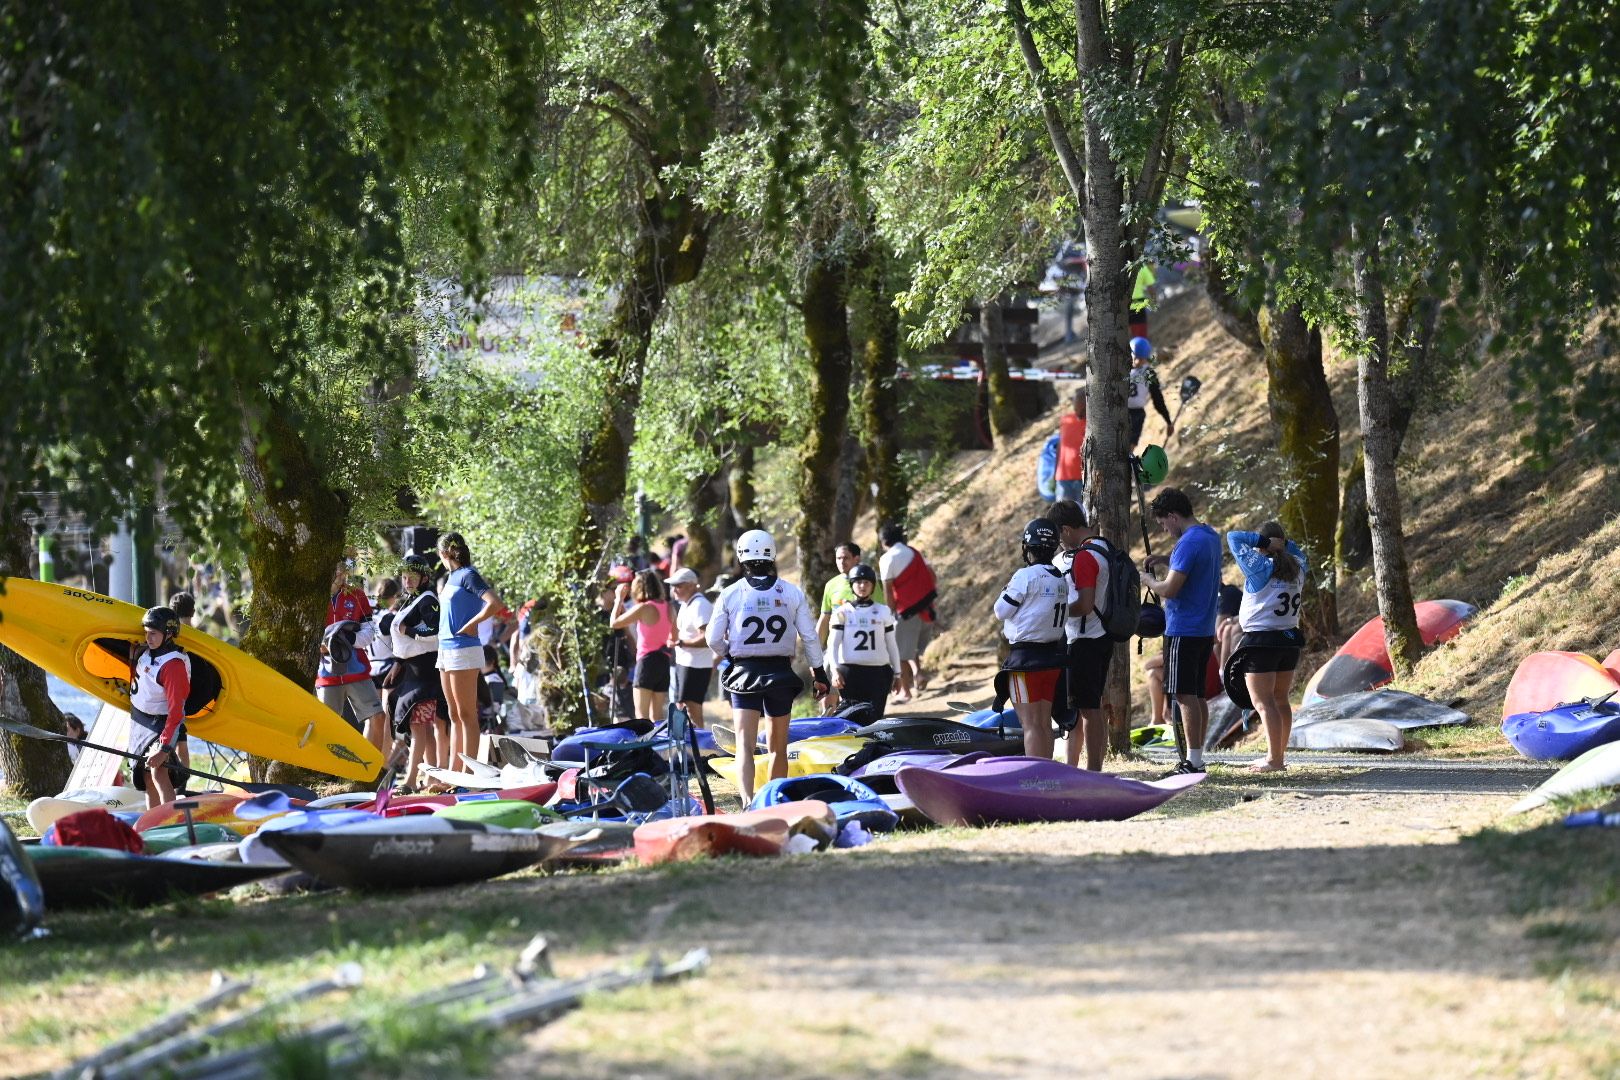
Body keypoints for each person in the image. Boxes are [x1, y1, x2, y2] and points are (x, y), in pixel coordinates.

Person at [706, 529, 828, 802]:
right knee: (777, 748)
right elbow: (809, 637)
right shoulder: (791, 592)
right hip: (780, 673)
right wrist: (819, 673)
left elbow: (712, 639)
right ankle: (774, 800)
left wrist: (731, 655)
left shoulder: (730, 593)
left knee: (744, 746)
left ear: (741, 557)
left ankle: (748, 801)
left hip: (744, 674)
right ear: (772, 555)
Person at [1142, 487, 1222, 774]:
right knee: (1197, 695)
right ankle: (1197, 755)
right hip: (1203, 629)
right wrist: (1167, 559)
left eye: (1163, 522)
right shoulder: (1209, 536)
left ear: (1173, 516)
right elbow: (1194, 566)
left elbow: (1170, 589)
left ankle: (1193, 761)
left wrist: (1146, 580)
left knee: (1184, 695)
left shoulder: (1188, 543)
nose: (1164, 529)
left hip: (1183, 628)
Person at [1227, 522, 1307, 771]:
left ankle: (1274, 760)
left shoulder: (1260, 568)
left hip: (1261, 642)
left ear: (1263, 546)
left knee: (1263, 703)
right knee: (1281, 700)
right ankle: (1278, 756)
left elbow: (1233, 537)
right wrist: (1283, 544)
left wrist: (1263, 543)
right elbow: (1298, 551)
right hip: (1289, 641)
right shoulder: (1299, 566)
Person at [1046, 499, 1116, 771]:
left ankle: (1093, 770)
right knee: (1091, 706)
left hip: (1086, 640)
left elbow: (1085, 605)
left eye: (1059, 536)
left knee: (1088, 710)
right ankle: (1092, 768)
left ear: (1066, 529)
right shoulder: (1104, 547)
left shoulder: (1085, 557)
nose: (1060, 544)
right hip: (1102, 635)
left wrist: (1057, 612)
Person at [992, 520, 1071, 760]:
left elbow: (1000, 611)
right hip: (1052, 658)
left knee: (1031, 724)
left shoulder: (1025, 575)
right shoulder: (1059, 577)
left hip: (1026, 660)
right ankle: (1046, 772)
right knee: (1044, 723)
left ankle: (1035, 776)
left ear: (1028, 547)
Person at [436, 533, 502, 773]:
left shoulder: (468, 574)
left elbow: (494, 603)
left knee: (466, 714)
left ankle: (470, 773)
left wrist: (473, 623)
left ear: (444, 553)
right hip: (445, 649)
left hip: (463, 649)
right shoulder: (451, 577)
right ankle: (455, 774)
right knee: (454, 714)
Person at [316, 559, 388, 755]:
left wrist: (347, 640)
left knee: (378, 717)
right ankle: (330, 769)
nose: (340, 574)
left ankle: (369, 766)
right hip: (326, 673)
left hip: (357, 669)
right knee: (328, 727)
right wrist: (321, 645)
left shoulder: (357, 594)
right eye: (336, 569)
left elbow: (369, 632)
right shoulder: (314, 595)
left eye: (343, 569)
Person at [389, 554, 445, 788]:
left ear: (424, 578)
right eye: (404, 576)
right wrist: (397, 663)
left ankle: (411, 779)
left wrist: (409, 630)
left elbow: (436, 631)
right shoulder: (412, 599)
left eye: (412, 576)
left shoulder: (427, 599)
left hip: (425, 674)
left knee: (418, 726)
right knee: (423, 729)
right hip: (412, 672)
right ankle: (432, 777)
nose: (407, 580)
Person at [127, 606, 190, 810]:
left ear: (169, 634)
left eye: (153, 633)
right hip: (141, 720)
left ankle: (171, 821)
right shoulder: (146, 651)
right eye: (146, 632)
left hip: (161, 724)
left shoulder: (173, 666)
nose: (148, 638)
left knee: (158, 771)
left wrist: (164, 749)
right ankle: (153, 822)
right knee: (146, 776)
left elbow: (176, 713)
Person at [828, 563, 900, 722]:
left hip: (879, 673)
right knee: (852, 717)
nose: (862, 586)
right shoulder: (842, 612)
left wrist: (898, 673)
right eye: (858, 582)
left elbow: (891, 644)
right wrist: (835, 670)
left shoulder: (883, 611)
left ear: (873, 586)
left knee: (874, 718)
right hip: (850, 673)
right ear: (851, 585)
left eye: (866, 582)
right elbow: (833, 644)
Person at [878, 523, 935, 704]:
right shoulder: (913, 552)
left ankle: (905, 691)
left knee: (899, 652)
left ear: (884, 541)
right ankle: (918, 674)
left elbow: (888, 590)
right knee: (910, 646)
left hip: (906, 611)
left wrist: (889, 614)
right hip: (926, 608)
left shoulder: (887, 558)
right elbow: (931, 575)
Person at [610, 569, 673, 721]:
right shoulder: (669, 607)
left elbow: (614, 623)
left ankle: (645, 739)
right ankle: (658, 738)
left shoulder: (644, 608)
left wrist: (618, 599)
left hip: (646, 661)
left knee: (641, 715)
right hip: (664, 660)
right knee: (657, 716)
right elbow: (674, 637)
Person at [666, 567, 714, 729]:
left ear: (692, 585)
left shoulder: (700, 605)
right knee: (683, 707)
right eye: (673, 586)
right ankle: (690, 742)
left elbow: (707, 637)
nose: (674, 590)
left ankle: (701, 742)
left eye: (678, 586)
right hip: (686, 663)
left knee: (692, 709)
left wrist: (681, 643)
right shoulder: (687, 604)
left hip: (696, 665)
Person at [817, 542, 885, 646]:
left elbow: (879, 614)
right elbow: (825, 618)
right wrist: (814, 648)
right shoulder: (831, 584)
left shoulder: (869, 583)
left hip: (863, 646)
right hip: (837, 646)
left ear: (856, 559)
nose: (841, 562)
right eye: (838, 558)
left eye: (846, 558)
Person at [1127, 337, 1173, 448]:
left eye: (1140, 359)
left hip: (1134, 414)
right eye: (1135, 357)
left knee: (1127, 448)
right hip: (1122, 412)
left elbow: (1158, 399)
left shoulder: (1148, 373)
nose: (1137, 361)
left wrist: (1168, 421)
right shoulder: (1120, 369)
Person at [1055, 390, 1087, 504]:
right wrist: (1055, 472)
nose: (1078, 411)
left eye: (1082, 409)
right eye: (1076, 408)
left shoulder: (1092, 424)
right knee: (1061, 513)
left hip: (1083, 479)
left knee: (1083, 513)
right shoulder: (1065, 420)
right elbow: (1060, 447)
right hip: (1063, 478)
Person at [1129, 262, 1157, 338]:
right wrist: (1154, 302)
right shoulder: (1142, 268)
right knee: (1140, 334)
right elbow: (1150, 287)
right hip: (1138, 304)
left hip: (1123, 304)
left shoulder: (1120, 268)